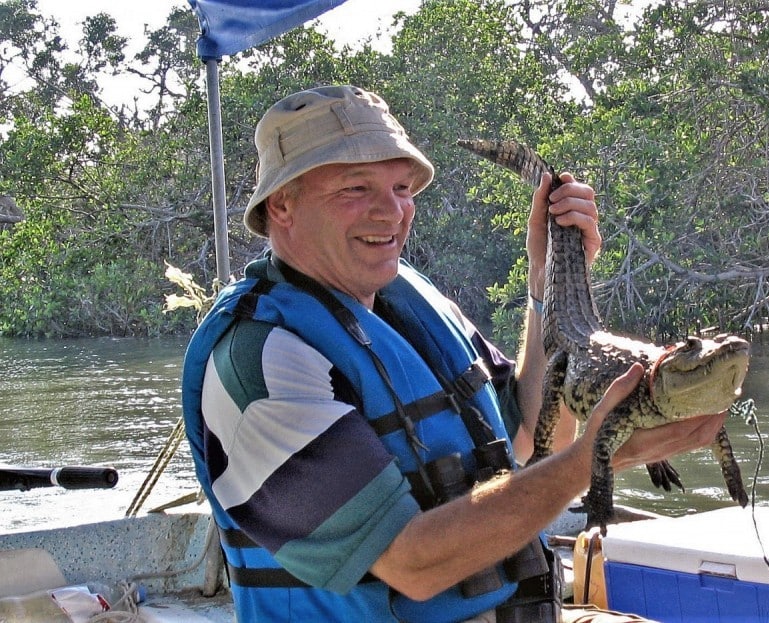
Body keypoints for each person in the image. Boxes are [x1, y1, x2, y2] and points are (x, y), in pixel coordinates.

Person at [182, 85, 728, 623]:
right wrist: (598, 459)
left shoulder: (409, 299)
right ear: (282, 204)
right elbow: (413, 563)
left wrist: (549, 280)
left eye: (401, 187)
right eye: (356, 188)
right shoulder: (259, 358)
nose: (391, 211)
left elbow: (528, 438)